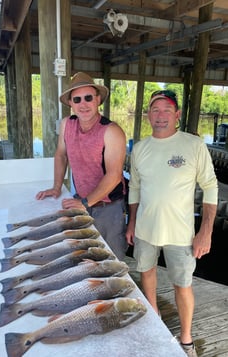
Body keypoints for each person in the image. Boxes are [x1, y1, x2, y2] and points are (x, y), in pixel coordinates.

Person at [126, 90, 218, 357]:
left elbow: (210, 186)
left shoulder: (193, 145)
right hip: (145, 228)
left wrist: (206, 231)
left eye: (167, 110)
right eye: (155, 110)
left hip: (181, 233)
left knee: (182, 284)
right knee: (147, 273)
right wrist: (131, 223)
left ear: (177, 114)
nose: (161, 115)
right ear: (147, 115)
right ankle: (154, 321)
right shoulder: (140, 148)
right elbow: (134, 188)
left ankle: (186, 339)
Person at [36, 72, 128, 260]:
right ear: (70, 103)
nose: (83, 104)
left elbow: (114, 174)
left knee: (111, 258)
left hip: (108, 206)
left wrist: (85, 203)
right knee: (84, 255)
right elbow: (61, 155)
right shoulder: (66, 125)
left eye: (88, 98)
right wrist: (56, 187)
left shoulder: (112, 131)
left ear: (98, 100)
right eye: (77, 99)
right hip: (82, 200)